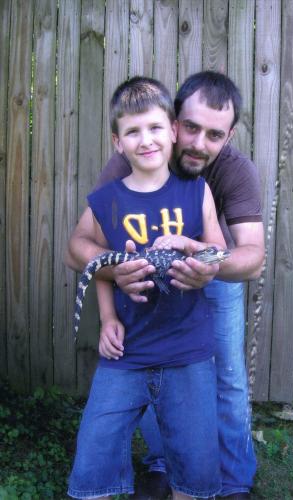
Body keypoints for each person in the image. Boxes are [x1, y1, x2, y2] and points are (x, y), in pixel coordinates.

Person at [65, 71, 265, 499]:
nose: (197, 143)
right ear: (175, 122)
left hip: (212, 265)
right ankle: (164, 464)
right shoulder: (132, 157)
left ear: (228, 136)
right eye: (190, 127)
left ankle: (229, 482)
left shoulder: (231, 172)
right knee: (152, 365)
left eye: (214, 135)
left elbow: (251, 256)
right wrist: (111, 281)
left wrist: (207, 262)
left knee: (225, 373)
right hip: (146, 280)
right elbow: (88, 245)